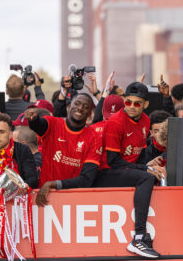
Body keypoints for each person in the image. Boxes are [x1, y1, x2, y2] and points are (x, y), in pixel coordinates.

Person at [93, 82, 165, 258]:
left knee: (156, 174)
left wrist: (148, 164)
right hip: (106, 172)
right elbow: (113, 161)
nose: (132, 107)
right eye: (128, 102)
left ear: (145, 105)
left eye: (137, 103)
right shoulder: (115, 122)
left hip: (126, 169)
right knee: (146, 178)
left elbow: (138, 155)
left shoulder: (146, 121)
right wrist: (144, 169)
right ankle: (139, 237)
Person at [26, 93, 102, 206]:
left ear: (90, 114)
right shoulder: (53, 123)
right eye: (77, 103)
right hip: (44, 198)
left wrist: (54, 184)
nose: (80, 108)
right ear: (69, 106)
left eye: (85, 107)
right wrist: (33, 120)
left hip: (74, 201)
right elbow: (39, 125)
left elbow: (86, 179)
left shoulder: (94, 138)